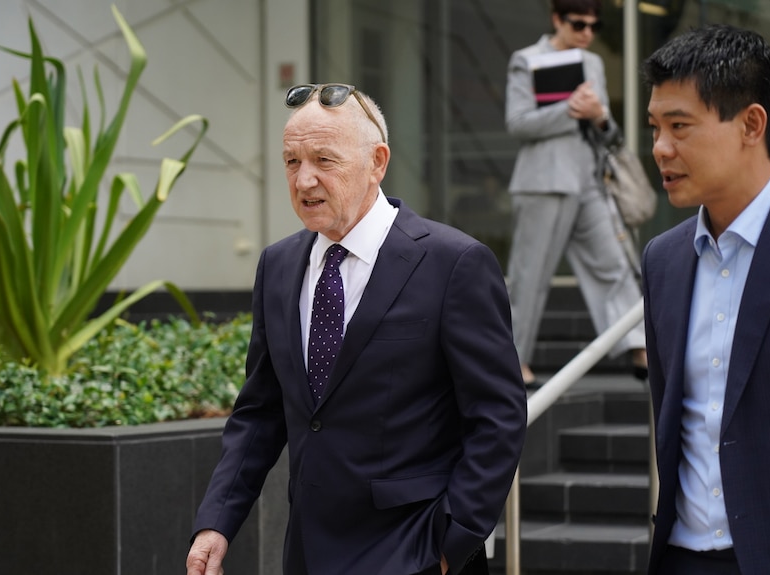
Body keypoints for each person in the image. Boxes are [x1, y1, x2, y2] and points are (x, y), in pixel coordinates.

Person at [185, 83, 528, 575]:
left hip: (418, 550)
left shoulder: (454, 263)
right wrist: (217, 522)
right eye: (290, 162)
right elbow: (261, 412)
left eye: (324, 160)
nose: (304, 181)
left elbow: (498, 415)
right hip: (308, 552)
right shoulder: (278, 265)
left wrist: (453, 541)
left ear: (377, 162)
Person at [641, 25, 770, 575]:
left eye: (680, 127)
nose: (660, 149)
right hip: (682, 556)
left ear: (751, 124)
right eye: (654, 128)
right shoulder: (663, 260)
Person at [505, 0, 648, 387]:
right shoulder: (526, 59)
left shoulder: (593, 64)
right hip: (543, 181)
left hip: (589, 180)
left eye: (593, 26)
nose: (586, 33)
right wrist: (569, 109)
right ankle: (511, 361)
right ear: (557, 20)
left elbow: (606, 130)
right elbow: (518, 124)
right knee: (528, 278)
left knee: (614, 263)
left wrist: (599, 114)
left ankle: (639, 347)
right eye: (578, 24)